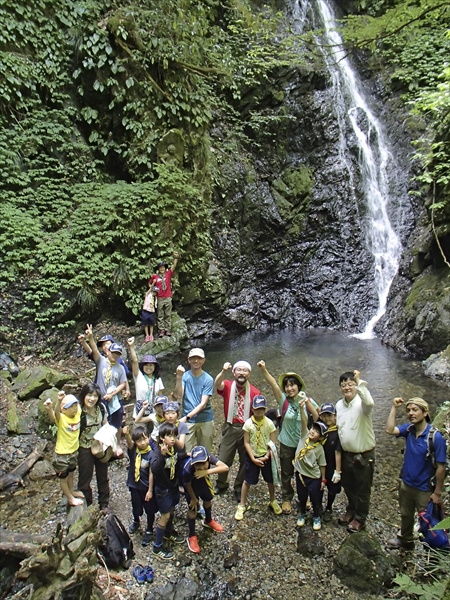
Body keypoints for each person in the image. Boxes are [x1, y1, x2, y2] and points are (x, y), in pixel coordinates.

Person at [385, 397, 447, 550]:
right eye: (408, 410)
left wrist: (437, 493)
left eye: (415, 410)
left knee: (428, 521)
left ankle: (433, 550)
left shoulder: (435, 438)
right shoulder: (409, 430)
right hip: (406, 483)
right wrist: (394, 408)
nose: (411, 413)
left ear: (425, 412)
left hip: (424, 489)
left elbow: (441, 467)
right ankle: (405, 540)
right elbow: (389, 429)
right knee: (405, 514)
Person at [257, 361, 318, 515]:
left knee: (304, 472)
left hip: (304, 444)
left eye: (292, 385)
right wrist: (264, 369)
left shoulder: (308, 400)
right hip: (286, 443)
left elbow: (318, 418)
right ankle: (286, 497)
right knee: (286, 472)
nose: (289, 388)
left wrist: (306, 404)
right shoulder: (284, 400)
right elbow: (273, 384)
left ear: (298, 386)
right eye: (287, 386)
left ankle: (306, 498)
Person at [214, 360, 261, 501]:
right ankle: (221, 484)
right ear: (234, 372)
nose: (241, 373)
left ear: (249, 374)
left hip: (246, 429)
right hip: (230, 426)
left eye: (244, 370)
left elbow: (258, 414)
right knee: (223, 458)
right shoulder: (228, 385)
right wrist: (223, 371)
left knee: (244, 460)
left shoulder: (254, 392)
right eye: (238, 370)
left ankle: (239, 487)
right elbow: (217, 384)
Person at [336, 369, 375, 533]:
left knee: (362, 488)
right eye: (343, 385)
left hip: (364, 455)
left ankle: (360, 518)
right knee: (348, 485)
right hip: (346, 454)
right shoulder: (339, 405)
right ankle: (351, 510)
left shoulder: (362, 403)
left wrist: (360, 383)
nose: (347, 388)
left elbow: (370, 403)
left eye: (350, 384)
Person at [235, 395, 282, 521]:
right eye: (256, 409)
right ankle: (242, 504)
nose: (259, 412)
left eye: (261, 409)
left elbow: (273, 442)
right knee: (247, 480)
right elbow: (246, 442)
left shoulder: (269, 424)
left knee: (270, 480)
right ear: (252, 409)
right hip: (253, 457)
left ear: (265, 409)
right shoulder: (248, 424)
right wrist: (253, 457)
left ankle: (273, 500)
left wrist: (267, 455)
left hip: (266, 456)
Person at [85, 325, 127, 451]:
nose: (115, 355)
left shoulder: (120, 368)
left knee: (117, 422)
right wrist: (90, 337)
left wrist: (113, 394)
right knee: (101, 421)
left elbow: (123, 383)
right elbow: (94, 350)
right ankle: (102, 445)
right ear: (108, 352)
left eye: (117, 354)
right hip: (100, 397)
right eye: (113, 353)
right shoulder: (101, 361)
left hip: (114, 399)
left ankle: (117, 445)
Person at [182, 445, 228, 553]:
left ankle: (208, 520)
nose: (201, 467)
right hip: (191, 486)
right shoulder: (187, 470)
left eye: (203, 463)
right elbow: (187, 484)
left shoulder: (208, 458)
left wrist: (206, 472)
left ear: (208, 459)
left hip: (203, 481)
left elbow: (225, 467)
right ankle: (191, 536)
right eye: (197, 464)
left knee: (207, 501)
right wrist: (193, 498)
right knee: (192, 509)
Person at [150, 422, 186, 559]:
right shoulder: (158, 452)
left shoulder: (174, 448)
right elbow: (154, 469)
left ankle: (168, 533)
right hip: (163, 489)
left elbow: (177, 458)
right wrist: (162, 456)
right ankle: (157, 547)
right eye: (169, 436)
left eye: (174, 436)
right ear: (161, 438)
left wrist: (186, 454)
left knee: (171, 510)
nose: (172, 439)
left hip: (173, 486)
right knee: (164, 516)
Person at [43, 391, 84, 506]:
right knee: (63, 478)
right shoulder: (62, 419)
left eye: (75, 405)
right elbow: (55, 414)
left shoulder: (78, 413)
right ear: (64, 410)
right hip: (62, 454)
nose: (74, 408)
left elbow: (80, 402)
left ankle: (72, 491)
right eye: (71, 407)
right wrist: (58, 401)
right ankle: (70, 498)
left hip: (73, 452)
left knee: (71, 473)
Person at [293, 403, 328, 531]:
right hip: (301, 475)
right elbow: (303, 421)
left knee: (315, 498)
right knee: (302, 497)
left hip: (314, 477)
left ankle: (316, 516)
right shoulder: (304, 436)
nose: (313, 431)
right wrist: (302, 408)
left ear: (321, 437)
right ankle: (302, 513)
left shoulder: (319, 449)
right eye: (313, 428)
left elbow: (322, 465)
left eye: (317, 431)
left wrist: (323, 480)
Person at [77, 382, 110, 511]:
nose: (92, 399)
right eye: (89, 395)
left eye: (95, 396)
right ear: (84, 395)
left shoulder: (101, 408)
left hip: (99, 445)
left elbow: (105, 424)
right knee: (85, 478)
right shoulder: (79, 411)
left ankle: (104, 504)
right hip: (84, 447)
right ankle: (88, 505)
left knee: (103, 475)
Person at [123, 425, 157, 547]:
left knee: (150, 509)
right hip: (134, 485)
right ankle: (136, 521)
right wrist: (126, 434)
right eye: (139, 440)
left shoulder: (152, 454)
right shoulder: (134, 451)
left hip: (145, 487)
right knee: (136, 506)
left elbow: (152, 473)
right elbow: (129, 443)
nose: (142, 443)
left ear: (149, 438)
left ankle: (149, 529)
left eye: (144, 439)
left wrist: (150, 490)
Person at [174, 348, 214, 452]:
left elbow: (203, 404)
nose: (196, 361)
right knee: (185, 452)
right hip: (188, 420)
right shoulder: (185, 376)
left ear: (203, 360)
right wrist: (178, 377)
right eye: (193, 358)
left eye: (199, 358)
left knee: (205, 453)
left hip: (205, 419)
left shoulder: (208, 379)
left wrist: (186, 418)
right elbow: (179, 395)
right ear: (188, 360)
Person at [78, 332, 131, 398]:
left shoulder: (119, 360)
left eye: (108, 344)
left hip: (114, 394)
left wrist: (127, 389)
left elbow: (123, 377)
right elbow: (93, 351)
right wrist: (85, 341)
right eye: (103, 345)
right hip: (100, 391)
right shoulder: (101, 358)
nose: (106, 346)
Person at [128, 337, 164, 417]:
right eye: (146, 365)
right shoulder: (138, 376)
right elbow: (134, 361)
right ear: (142, 366)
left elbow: (160, 396)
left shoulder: (158, 379)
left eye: (151, 365)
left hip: (154, 413)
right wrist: (131, 347)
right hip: (140, 412)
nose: (148, 367)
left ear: (155, 367)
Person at [318, 403, 342, 522]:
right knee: (320, 486)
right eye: (324, 416)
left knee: (332, 489)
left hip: (332, 465)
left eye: (329, 415)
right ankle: (318, 506)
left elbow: (338, 452)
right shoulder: (321, 430)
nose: (327, 418)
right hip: (321, 465)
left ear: (335, 416)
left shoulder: (337, 433)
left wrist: (338, 471)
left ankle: (329, 507)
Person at [149, 251, 179, 337]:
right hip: (160, 298)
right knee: (160, 315)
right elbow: (150, 284)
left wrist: (175, 258)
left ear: (165, 268)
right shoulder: (155, 276)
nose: (162, 269)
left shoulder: (168, 274)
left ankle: (167, 330)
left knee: (168, 314)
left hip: (168, 297)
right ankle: (161, 330)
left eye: (163, 267)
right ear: (158, 269)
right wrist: (154, 289)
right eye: (160, 268)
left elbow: (174, 266)